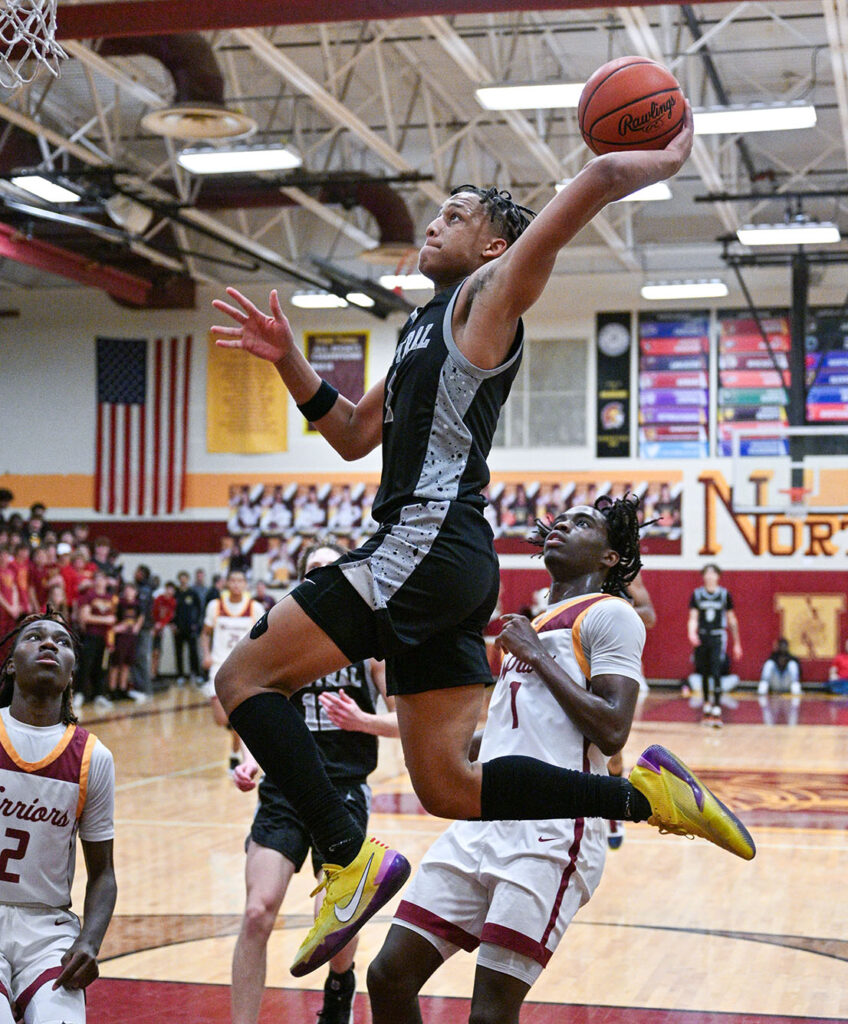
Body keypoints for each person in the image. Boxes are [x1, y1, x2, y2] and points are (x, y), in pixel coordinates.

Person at [210, 107, 752, 978]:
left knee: (239, 676)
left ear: (496, 249)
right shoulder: (422, 327)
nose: (435, 221)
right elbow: (352, 433)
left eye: (458, 215)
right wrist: (286, 359)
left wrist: (651, 157)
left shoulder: (486, 303)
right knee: (450, 789)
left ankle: (346, 855)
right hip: (450, 563)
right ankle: (643, 796)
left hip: (420, 543)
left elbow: (584, 197)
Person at [367, 497, 648, 1024]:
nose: (563, 524)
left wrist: (536, 654)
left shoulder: (611, 614)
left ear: (610, 558)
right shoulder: (538, 619)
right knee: (387, 977)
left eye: (582, 522)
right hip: (483, 821)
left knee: (490, 1016)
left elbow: (613, 730)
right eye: (561, 518)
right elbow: (507, 734)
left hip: (552, 834)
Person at [230, 540, 397, 1024]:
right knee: (258, 912)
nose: (322, 578)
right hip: (284, 792)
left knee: (335, 924)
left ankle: (340, 989)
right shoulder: (280, 640)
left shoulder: (372, 645)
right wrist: (249, 759)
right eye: (313, 571)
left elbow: (405, 722)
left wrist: (362, 721)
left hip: (343, 788)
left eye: (331, 569)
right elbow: (254, 709)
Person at [0, 610, 117, 1024]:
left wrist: (90, 941)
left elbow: (103, 873)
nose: (50, 644)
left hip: (48, 930)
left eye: (63, 642)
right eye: (34, 637)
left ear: (71, 673)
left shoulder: (92, 757)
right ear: (11, 663)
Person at [606, 567, 656, 850]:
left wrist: (614, 613)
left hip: (614, 662)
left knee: (612, 747)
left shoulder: (626, 577)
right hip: (579, 656)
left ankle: (615, 810)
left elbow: (650, 615)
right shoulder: (573, 571)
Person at [200, 570, 265, 773]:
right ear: (227, 583)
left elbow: (263, 637)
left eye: (240, 581)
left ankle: (235, 753)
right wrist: (206, 655)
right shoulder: (215, 606)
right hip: (219, 666)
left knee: (237, 715)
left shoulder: (255, 607)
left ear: (246, 584)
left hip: (242, 668)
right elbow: (204, 634)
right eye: (233, 580)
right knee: (221, 719)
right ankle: (238, 738)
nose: (236, 584)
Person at [687, 563, 742, 727]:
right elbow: (693, 617)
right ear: (703, 576)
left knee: (716, 669)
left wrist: (737, 643)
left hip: (718, 636)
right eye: (707, 573)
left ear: (718, 576)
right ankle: (706, 705)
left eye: (713, 573)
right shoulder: (697, 595)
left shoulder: (724, 595)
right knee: (703, 670)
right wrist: (691, 633)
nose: (710, 576)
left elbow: (732, 619)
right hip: (703, 635)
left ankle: (717, 707)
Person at [173, 570, 202, 685]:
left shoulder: (192, 593)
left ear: (188, 579)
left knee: (193, 652)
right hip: (178, 628)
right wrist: (172, 623)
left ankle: (195, 674)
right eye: (181, 578)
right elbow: (171, 610)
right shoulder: (176, 593)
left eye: (185, 578)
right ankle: (180, 675)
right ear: (179, 579)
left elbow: (199, 609)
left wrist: (196, 623)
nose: (183, 580)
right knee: (178, 652)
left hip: (190, 628)